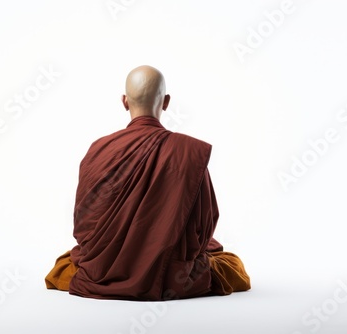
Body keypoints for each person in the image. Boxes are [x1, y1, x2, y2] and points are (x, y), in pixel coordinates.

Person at [45, 65, 250, 300]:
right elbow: (205, 225)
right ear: (166, 102)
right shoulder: (186, 152)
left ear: (124, 101)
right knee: (230, 265)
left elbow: (83, 225)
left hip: (103, 268)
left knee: (64, 266)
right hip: (169, 274)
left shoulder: (99, 149)